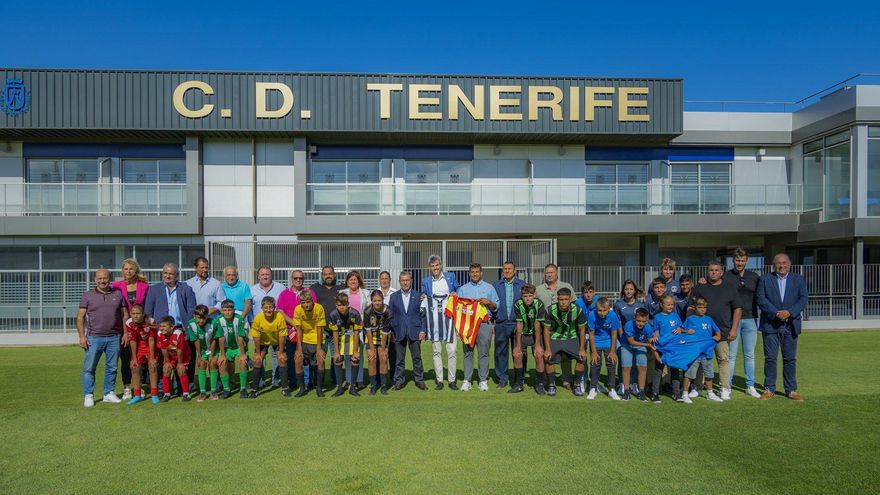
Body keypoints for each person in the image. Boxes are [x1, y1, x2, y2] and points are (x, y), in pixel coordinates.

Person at [756, 253, 808, 401]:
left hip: (791, 324)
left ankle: (791, 390)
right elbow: (761, 299)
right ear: (774, 265)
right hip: (770, 324)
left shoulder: (798, 279)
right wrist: (776, 313)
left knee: (790, 359)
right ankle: (769, 388)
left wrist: (789, 312)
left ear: (789, 264)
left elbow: (803, 299)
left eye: (784, 263)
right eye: (778, 263)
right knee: (770, 358)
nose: (782, 266)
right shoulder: (765, 279)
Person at [690, 261, 742, 401]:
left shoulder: (730, 288)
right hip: (701, 334)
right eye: (711, 270)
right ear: (707, 272)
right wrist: (691, 326)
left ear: (721, 272)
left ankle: (724, 388)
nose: (713, 272)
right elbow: (690, 307)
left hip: (722, 331)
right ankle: (698, 387)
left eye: (716, 270)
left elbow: (737, 309)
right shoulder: (700, 287)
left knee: (723, 360)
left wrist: (734, 329)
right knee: (700, 360)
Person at [77, 268, 128, 407]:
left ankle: (108, 393)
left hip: (114, 337)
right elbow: (80, 317)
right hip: (94, 338)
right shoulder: (87, 295)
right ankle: (88, 395)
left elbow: (125, 315)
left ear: (110, 279)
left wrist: (125, 333)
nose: (102, 281)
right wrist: (82, 337)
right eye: (99, 278)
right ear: (95, 279)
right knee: (89, 368)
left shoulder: (118, 294)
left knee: (112, 367)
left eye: (105, 278)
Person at [723, 248, 762, 398]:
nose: (740, 263)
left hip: (750, 319)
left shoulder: (754, 277)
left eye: (742, 260)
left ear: (747, 261)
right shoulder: (726, 276)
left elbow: (760, 296)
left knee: (749, 355)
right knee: (731, 355)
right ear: (733, 260)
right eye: (737, 260)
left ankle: (750, 386)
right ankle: (728, 385)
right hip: (732, 320)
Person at [111, 258, 150, 401]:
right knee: (126, 358)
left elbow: (148, 306)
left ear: (136, 271)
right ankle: (127, 388)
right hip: (123, 328)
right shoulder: (115, 286)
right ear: (122, 271)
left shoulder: (144, 286)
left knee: (139, 358)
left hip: (140, 327)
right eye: (125, 269)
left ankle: (139, 387)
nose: (128, 271)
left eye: (131, 269)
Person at [456, 263, 499, 392]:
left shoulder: (489, 288)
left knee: (484, 352)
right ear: (469, 273)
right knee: (467, 352)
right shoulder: (463, 289)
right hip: (467, 325)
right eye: (472, 272)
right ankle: (467, 380)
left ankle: (483, 380)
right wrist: (458, 329)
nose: (475, 274)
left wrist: (489, 302)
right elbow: (458, 309)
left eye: (477, 272)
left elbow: (496, 306)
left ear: (481, 273)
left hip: (484, 324)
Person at [541, 287, 587, 397]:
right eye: (561, 299)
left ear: (570, 299)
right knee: (547, 357)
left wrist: (582, 349)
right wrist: (547, 349)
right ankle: (552, 385)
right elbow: (546, 330)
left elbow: (582, 330)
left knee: (582, 358)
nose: (563, 302)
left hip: (572, 337)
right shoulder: (550, 310)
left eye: (566, 299)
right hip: (555, 337)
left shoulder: (578, 310)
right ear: (557, 299)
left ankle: (577, 385)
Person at [535, 263, 575, 389]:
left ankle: (566, 380)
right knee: (547, 355)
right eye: (547, 272)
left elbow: (574, 305)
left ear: (557, 273)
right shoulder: (539, 289)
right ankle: (548, 380)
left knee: (565, 355)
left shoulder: (566, 286)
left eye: (552, 272)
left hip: (563, 329)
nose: (549, 275)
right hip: (546, 329)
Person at [277, 270, 316, 390]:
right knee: (291, 357)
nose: (298, 280)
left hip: (306, 331)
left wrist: (301, 324)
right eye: (295, 278)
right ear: (291, 279)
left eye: (300, 278)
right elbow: (280, 311)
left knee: (306, 357)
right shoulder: (284, 294)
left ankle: (307, 381)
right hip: (290, 330)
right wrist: (293, 322)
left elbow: (313, 308)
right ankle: (293, 381)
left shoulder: (309, 292)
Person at [389, 271, 427, 390]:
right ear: (399, 282)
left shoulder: (419, 296)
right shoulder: (393, 297)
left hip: (414, 331)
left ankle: (419, 380)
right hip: (398, 332)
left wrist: (423, 330)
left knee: (417, 358)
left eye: (407, 280)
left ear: (411, 281)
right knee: (399, 359)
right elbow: (391, 316)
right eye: (403, 280)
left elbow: (423, 315)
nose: (405, 283)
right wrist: (392, 332)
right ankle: (399, 381)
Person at [681, 297, 723, 403]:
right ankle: (685, 394)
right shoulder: (690, 319)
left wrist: (716, 337)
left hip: (707, 352)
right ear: (694, 308)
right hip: (694, 352)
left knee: (709, 374)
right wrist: (687, 331)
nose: (702, 309)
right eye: (700, 307)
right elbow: (681, 330)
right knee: (689, 374)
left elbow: (717, 332)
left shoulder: (709, 319)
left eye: (704, 307)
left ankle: (710, 394)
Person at [249, 266, 285, 387]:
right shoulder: (252, 290)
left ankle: (276, 379)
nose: (265, 277)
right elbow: (249, 309)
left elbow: (283, 306)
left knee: (277, 355)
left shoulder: (280, 288)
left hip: (276, 329)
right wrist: (252, 324)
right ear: (258, 276)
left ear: (271, 275)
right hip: (260, 329)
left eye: (267, 274)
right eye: (262, 274)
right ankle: (260, 380)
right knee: (260, 356)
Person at [249, 296, 291, 398]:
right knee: (257, 360)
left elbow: (282, 336)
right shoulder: (258, 318)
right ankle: (255, 389)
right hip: (262, 342)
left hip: (277, 341)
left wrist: (281, 352)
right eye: (266, 308)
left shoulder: (279, 316)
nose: (268, 310)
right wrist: (258, 353)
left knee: (282, 359)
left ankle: (285, 389)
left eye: (271, 307)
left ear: (274, 308)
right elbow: (256, 337)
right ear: (262, 308)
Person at [492, 261, 525, 388]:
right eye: (505, 269)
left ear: (515, 270)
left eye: (509, 269)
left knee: (519, 351)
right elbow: (493, 304)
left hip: (517, 323)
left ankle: (519, 377)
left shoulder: (522, 284)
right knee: (501, 352)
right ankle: (502, 378)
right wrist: (493, 321)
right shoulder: (496, 285)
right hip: (501, 323)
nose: (507, 271)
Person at [311, 265, 345, 387]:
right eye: (325, 274)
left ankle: (336, 382)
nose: (328, 276)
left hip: (337, 329)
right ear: (322, 276)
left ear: (334, 275)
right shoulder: (314, 288)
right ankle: (317, 382)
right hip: (321, 329)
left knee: (337, 356)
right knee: (319, 356)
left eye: (330, 273)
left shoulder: (342, 288)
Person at [510, 284, 546, 394]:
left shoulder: (539, 304)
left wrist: (538, 345)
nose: (528, 298)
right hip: (522, 334)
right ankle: (519, 383)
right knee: (517, 355)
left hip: (536, 333)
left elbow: (537, 324)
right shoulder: (517, 304)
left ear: (534, 295)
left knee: (539, 354)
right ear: (522, 296)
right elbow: (519, 324)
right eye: (525, 296)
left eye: (530, 296)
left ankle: (539, 383)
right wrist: (518, 346)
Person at [648, 295, 684, 403]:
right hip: (662, 347)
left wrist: (680, 330)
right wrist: (655, 336)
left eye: (672, 304)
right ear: (661, 305)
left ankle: (676, 394)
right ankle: (655, 394)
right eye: (668, 304)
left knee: (675, 371)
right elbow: (656, 331)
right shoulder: (657, 317)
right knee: (658, 370)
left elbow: (680, 328)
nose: (670, 306)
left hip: (674, 348)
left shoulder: (676, 316)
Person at [292, 291, 327, 397]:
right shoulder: (298, 310)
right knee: (298, 360)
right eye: (303, 303)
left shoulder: (319, 308)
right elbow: (298, 329)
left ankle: (319, 388)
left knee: (320, 360)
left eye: (308, 302)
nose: (306, 305)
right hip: (304, 340)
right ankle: (302, 388)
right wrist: (299, 349)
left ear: (312, 301)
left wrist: (319, 348)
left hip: (318, 339)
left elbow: (320, 328)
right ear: (300, 303)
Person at [328, 292, 364, 397]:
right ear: (336, 305)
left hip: (353, 340)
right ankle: (339, 388)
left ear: (348, 304)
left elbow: (357, 333)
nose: (342, 307)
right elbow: (335, 333)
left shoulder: (355, 314)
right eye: (339, 305)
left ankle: (352, 388)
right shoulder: (333, 315)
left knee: (355, 359)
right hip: (340, 341)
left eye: (344, 305)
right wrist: (336, 352)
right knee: (337, 360)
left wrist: (356, 351)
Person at [123, 303, 159, 405]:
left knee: (152, 367)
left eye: (138, 313)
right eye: (133, 313)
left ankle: (154, 395)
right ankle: (137, 395)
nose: (135, 316)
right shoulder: (129, 323)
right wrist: (134, 358)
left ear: (143, 314)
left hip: (150, 347)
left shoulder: (150, 322)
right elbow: (133, 340)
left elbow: (151, 340)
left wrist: (152, 357)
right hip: (138, 347)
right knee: (135, 368)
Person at [340, 270, 371, 388]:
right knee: (348, 353)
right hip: (346, 327)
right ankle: (349, 380)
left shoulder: (366, 293)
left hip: (360, 327)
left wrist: (364, 322)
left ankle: (359, 379)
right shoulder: (342, 293)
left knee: (359, 354)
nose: (353, 281)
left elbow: (369, 310)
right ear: (347, 282)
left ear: (359, 281)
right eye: (351, 279)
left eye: (355, 279)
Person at [586, 297, 621, 400]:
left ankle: (611, 389)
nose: (602, 313)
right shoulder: (592, 315)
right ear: (596, 309)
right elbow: (591, 334)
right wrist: (593, 352)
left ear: (609, 308)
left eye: (604, 310)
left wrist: (613, 351)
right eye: (599, 310)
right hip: (596, 342)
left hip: (608, 342)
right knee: (595, 364)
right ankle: (593, 388)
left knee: (611, 363)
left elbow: (614, 334)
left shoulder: (613, 316)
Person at [214, 299, 249, 399]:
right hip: (226, 347)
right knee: (222, 363)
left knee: (243, 362)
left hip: (239, 346)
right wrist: (222, 354)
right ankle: (226, 389)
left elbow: (240, 337)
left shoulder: (239, 319)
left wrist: (242, 354)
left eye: (229, 310)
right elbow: (221, 337)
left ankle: (243, 389)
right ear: (221, 311)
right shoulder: (218, 320)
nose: (227, 312)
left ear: (233, 310)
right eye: (225, 310)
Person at [187, 304, 219, 401]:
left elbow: (213, 340)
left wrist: (212, 355)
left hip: (213, 349)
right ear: (194, 316)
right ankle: (203, 392)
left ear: (207, 316)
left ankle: (213, 391)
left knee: (213, 363)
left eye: (203, 318)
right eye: (199, 318)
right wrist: (199, 356)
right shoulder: (191, 324)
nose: (201, 321)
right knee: (201, 364)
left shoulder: (213, 323)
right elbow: (195, 340)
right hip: (202, 350)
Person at [363, 290, 393, 395]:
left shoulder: (388, 311)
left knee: (383, 358)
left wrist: (383, 349)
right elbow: (368, 331)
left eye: (379, 300)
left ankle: (383, 386)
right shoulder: (367, 311)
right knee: (372, 359)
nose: (377, 303)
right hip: (371, 336)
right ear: (371, 301)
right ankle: (373, 386)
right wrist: (371, 349)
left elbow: (385, 331)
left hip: (383, 336)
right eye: (375, 301)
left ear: (383, 300)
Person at [156, 315, 192, 402]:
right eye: (160, 326)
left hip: (183, 356)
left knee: (181, 370)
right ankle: (167, 394)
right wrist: (167, 362)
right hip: (170, 356)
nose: (162, 328)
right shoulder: (160, 333)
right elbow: (163, 349)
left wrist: (180, 363)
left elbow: (180, 350)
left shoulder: (178, 334)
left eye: (164, 326)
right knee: (166, 369)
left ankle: (186, 394)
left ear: (172, 327)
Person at [621, 307, 653, 402]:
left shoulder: (648, 327)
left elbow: (651, 341)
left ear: (647, 320)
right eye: (638, 321)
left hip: (641, 345)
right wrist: (648, 345)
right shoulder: (628, 325)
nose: (640, 324)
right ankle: (626, 391)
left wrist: (653, 341)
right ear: (634, 318)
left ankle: (641, 392)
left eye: (643, 321)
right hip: (627, 345)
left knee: (642, 367)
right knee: (626, 367)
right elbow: (631, 342)